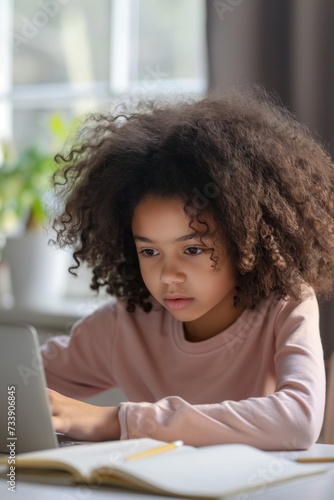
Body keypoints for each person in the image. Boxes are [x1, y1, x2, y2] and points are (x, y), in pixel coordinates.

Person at [42, 88, 334, 450]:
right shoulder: (123, 327)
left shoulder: (285, 307)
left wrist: (118, 421)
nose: (168, 275)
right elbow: (17, 387)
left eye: (192, 248)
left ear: (247, 240)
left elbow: (297, 421)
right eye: (149, 251)